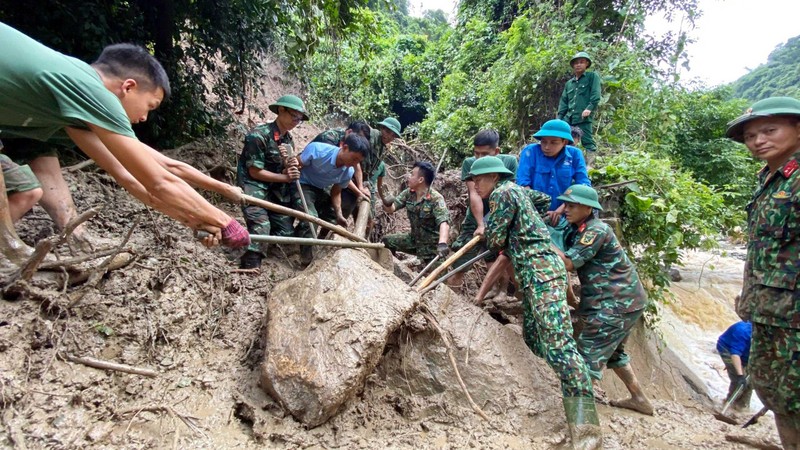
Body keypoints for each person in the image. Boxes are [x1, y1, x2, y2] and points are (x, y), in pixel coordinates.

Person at [0, 23, 248, 272]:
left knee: (26, 189)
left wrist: (197, 220)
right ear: (128, 87)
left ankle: (69, 239)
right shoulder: (94, 92)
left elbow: (134, 175)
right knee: (25, 194)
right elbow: (158, 181)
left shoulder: (73, 110)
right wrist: (224, 221)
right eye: (150, 106)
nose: (144, 118)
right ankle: (9, 252)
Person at [471, 156, 602, 449]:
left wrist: (485, 230)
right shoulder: (518, 190)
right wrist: (530, 220)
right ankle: (541, 402)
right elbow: (542, 199)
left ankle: (587, 434)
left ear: (494, 177)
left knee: (560, 347)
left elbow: (495, 240)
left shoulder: (503, 193)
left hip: (542, 274)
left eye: (479, 179)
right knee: (532, 338)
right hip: (532, 277)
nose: (476, 185)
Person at [725, 96, 800, 449]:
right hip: (771, 310)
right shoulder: (771, 179)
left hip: (794, 315)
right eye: (751, 136)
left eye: (769, 131)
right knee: (777, 392)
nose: (758, 141)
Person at [553, 184, 654, 416]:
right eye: (565, 204)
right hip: (624, 302)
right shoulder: (579, 228)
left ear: (588, 208)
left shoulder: (596, 231)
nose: (566, 209)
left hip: (615, 304)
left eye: (572, 205)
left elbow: (568, 263)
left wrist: (542, 240)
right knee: (615, 354)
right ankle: (639, 398)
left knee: (585, 358)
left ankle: (582, 419)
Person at [236, 95, 308, 270]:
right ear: (281, 110)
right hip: (253, 185)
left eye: (299, 119)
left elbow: (282, 170)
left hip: (275, 188)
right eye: (294, 116)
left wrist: (289, 168)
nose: (296, 121)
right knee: (262, 226)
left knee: (286, 232)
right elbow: (255, 171)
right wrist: (285, 177)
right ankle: (250, 262)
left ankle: (266, 248)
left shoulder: (288, 140)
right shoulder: (258, 136)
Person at [448, 130, 518, 295]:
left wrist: (493, 223)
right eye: (476, 153)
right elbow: (474, 194)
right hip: (474, 221)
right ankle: (451, 301)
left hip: (499, 220)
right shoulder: (469, 164)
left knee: (500, 261)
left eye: (485, 154)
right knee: (460, 263)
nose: (479, 159)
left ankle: (500, 294)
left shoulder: (509, 163)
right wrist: (481, 224)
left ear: (497, 151)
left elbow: (507, 194)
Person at [293, 133, 371, 265]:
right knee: (311, 218)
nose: (354, 164)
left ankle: (304, 239)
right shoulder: (318, 150)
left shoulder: (348, 171)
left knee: (332, 216)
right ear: (344, 147)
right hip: (302, 185)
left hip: (321, 190)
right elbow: (296, 164)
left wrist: (339, 214)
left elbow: (336, 192)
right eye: (353, 159)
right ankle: (306, 259)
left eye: (358, 162)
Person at [516, 119, 590, 249]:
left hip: (564, 214)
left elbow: (583, 186)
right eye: (543, 141)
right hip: (532, 213)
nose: (547, 147)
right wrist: (536, 211)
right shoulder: (530, 152)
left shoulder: (575, 155)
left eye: (553, 142)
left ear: (564, 142)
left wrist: (561, 209)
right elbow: (523, 185)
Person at [381, 161, 450, 265]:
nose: (409, 177)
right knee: (387, 241)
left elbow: (444, 223)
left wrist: (442, 243)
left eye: (412, 174)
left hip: (432, 248)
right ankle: (390, 267)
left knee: (438, 278)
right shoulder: (409, 193)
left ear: (420, 179)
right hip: (413, 241)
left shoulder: (436, 199)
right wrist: (387, 203)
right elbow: (391, 209)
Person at [311, 121, 373, 219]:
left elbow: (356, 167)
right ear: (349, 132)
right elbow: (337, 173)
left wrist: (360, 187)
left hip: (325, 179)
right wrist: (358, 192)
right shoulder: (330, 138)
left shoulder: (353, 149)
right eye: (359, 137)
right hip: (314, 175)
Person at [557, 51, 601, 157]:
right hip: (569, 117)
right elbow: (564, 101)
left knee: (587, 141)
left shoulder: (592, 77)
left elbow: (596, 94)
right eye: (576, 63)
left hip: (583, 116)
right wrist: (559, 117)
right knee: (565, 140)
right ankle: (568, 162)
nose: (578, 64)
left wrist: (589, 108)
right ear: (573, 65)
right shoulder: (569, 84)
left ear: (586, 64)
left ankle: (590, 165)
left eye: (582, 62)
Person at [716, 319, 753, 411]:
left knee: (751, 381)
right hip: (727, 349)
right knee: (738, 380)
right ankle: (728, 406)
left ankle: (742, 407)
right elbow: (735, 355)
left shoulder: (767, 334)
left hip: (746, 353)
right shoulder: (742, 331)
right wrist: (740, 375)